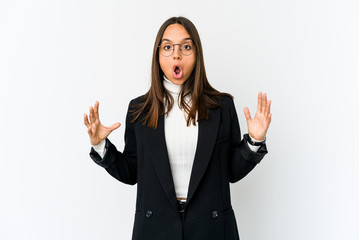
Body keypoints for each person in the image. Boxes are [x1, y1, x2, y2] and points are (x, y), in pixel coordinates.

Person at [83, 16, 271, 240]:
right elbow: (132, 171)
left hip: (212, 229)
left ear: (197, 54)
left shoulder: (222, 106)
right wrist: (100, 145)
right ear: (158, 55)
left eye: (186, 46)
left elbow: (231, 171)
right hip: (155, 230)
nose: (176, 54)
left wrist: (254, 141)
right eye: (168, 47)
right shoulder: (139, 109)